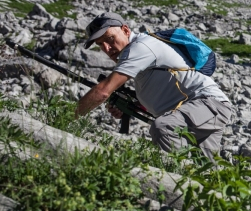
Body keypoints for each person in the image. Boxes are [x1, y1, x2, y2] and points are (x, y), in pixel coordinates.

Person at [75, 12, 232, 158]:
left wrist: (69, 117)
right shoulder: (140, 54)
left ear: (125, 30)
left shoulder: (140, 47)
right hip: (211, 108)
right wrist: (129, 108)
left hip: (208, 104)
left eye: (109, 39)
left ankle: (176, 176)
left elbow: (103, 91)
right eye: (100, 44)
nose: (107, 49)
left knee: (163, 127)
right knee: (206, 168)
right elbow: (163, 93)